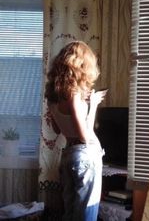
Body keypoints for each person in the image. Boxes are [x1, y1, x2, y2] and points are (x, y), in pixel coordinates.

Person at [44, 41, 107, 221]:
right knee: (87, 211)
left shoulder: (52, 95)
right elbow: (84, 136)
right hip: (85, 155)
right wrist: (93, 105)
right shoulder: (74, 94)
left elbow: (57, 129)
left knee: (70, 212)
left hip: (68, 155)